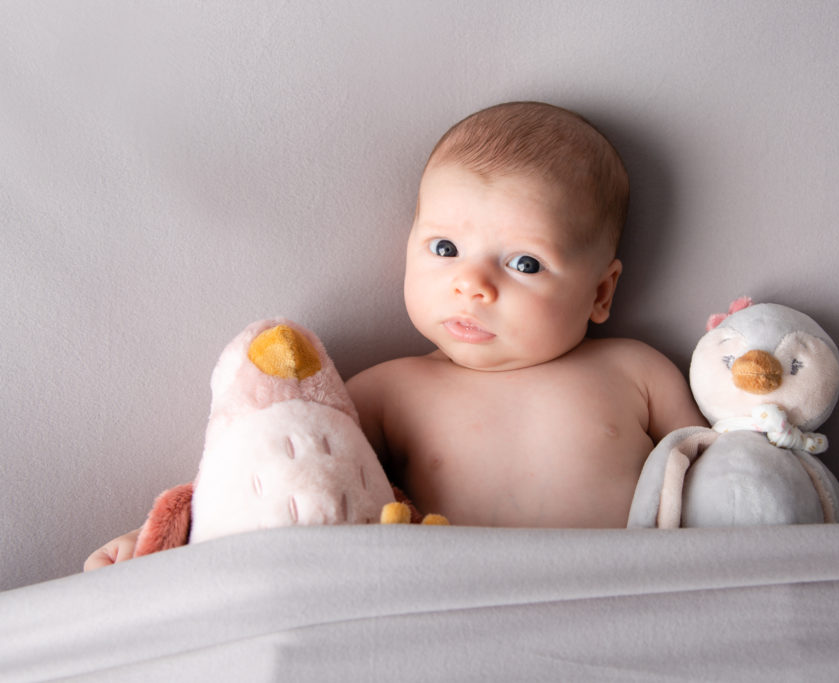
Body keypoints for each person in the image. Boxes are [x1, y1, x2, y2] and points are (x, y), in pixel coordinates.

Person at [84, 101, 704, 570]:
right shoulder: (391, 391)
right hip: (440, 606)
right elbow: (293, 483)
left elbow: (725, 478)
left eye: (524, 263)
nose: (472, 285)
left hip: (619, 596)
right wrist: (167, 541)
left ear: (600, 292)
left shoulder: (635, 372)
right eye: (445, 249)